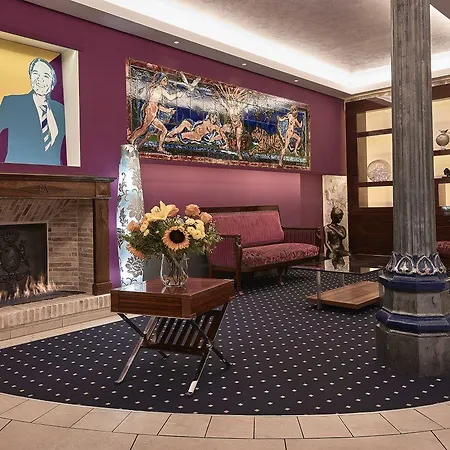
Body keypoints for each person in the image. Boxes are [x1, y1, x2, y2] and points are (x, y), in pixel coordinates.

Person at [0, 58, 65, 165]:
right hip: (17, 172)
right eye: (35, 74)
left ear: (53, 83)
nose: (40, 79)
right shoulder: (12, 103)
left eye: (46, 76)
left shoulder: (60, 110)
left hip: (54, 173)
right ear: (30, 77)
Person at [128, 72, 183, 153]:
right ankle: (131, 139)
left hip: (152, 110)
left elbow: (157, 105)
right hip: (151, 110)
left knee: (164, 130)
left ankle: (160, 147)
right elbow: (170, 97)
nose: (166, 82)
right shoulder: (159, 89)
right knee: (143, 129)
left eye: (166, 80)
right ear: (159, 80)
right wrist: (177, 95)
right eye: (164, 80)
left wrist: (167, 110)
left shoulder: (153, 88)